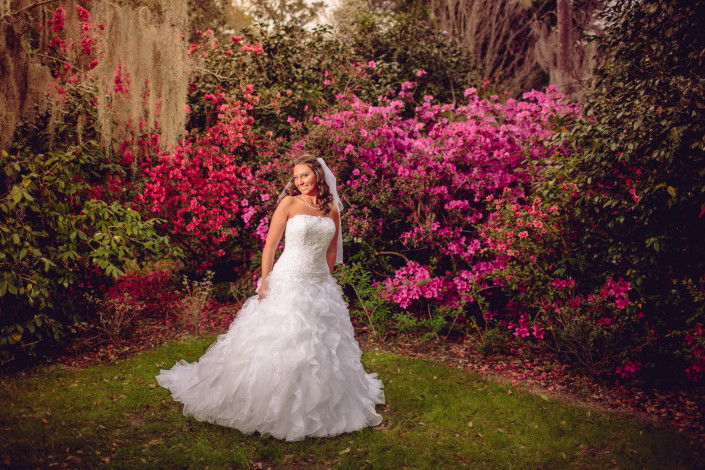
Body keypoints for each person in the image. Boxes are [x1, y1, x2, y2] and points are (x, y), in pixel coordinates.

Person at [156, 154, 385, 441]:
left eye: (305, 175)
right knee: (282, 340)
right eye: (296, 177)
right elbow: (270, 246)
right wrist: (266, 281)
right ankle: (268, 402)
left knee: (321, 345)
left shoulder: (332, 210)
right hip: (288, 279)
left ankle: (322, 405)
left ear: (318, 175)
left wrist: (326, 277)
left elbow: (330, 250)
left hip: (319, 283)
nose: (299, 181)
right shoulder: (289, 204)